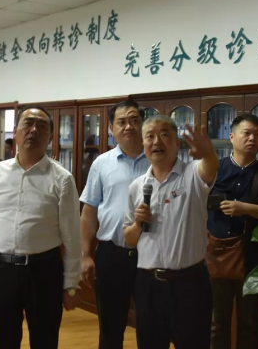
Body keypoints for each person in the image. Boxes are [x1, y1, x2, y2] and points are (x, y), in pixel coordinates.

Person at [0, 106, 81, 349]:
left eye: (41, 125)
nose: (33, 130)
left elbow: (72, 237)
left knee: (45, 340)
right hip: (2, 270)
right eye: (28, 123)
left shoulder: (62, 178)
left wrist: (71, 284)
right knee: (4, 340)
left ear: (51, 137)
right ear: (15, 131)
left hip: (44, 271)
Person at [123, 115, 219, 349]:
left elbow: (209, 168)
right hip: (148, 284)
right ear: (143, 144)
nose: (157, 141)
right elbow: (129, 238)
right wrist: (137, 224)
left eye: (164, 135)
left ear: (177, 143)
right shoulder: (137, 186)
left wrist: (208, 153)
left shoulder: (192, 174)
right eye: (150, 136)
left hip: (189, 284)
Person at [207, 114, 258, 349]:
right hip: (215, 257)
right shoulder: (214, 169)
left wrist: (245, 208)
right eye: (247, 133)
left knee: (250, 323)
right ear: (232, 137)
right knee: (216, 324)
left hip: (253, 259)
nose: (253, 138)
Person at [80, 100, 149, 349]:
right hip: (112, 254)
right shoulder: (102, 163)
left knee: (152, 326)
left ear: (143, 124)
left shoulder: (158, 160)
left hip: (151, 255)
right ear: (111, 128)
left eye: (134, 120)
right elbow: (89, 211)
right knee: (110, 328)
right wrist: (85, 254)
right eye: (122, 122)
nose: (128, 126)